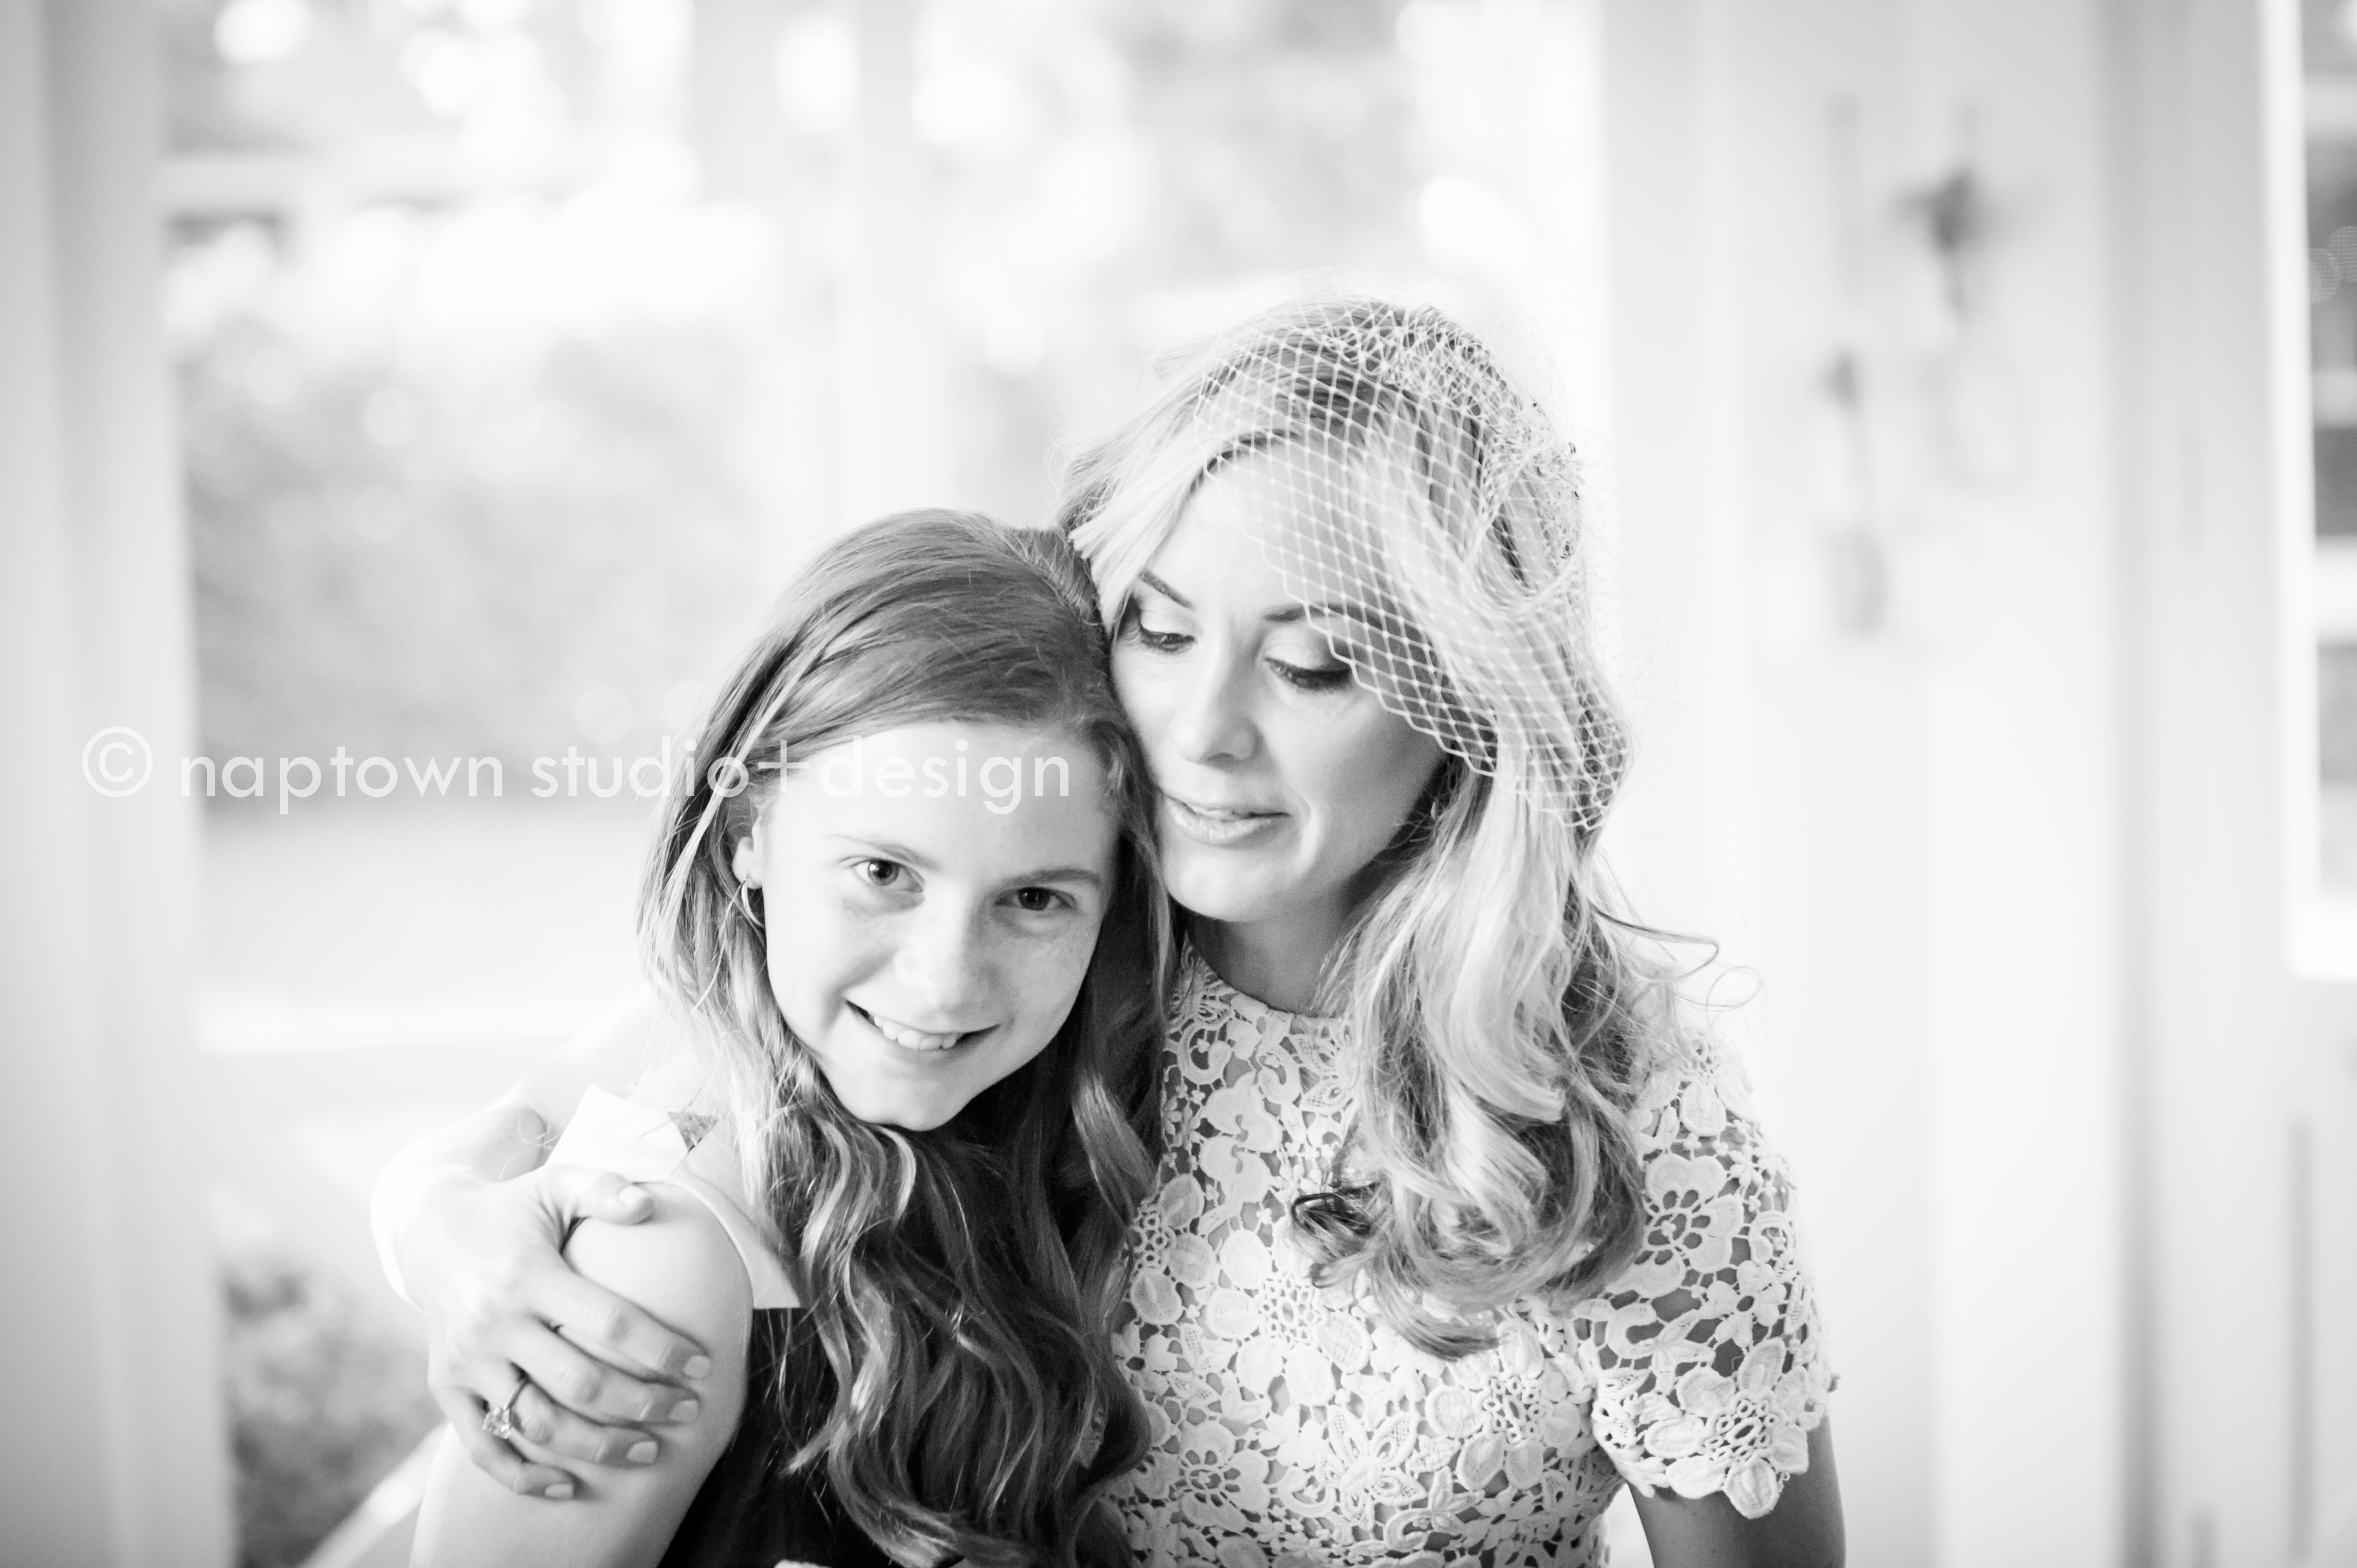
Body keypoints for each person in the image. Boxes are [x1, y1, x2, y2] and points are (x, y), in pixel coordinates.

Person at [376, 296, 1843, 1567]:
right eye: (1160, 629)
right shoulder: (1027, 951)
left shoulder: (1627, 1123)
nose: (1201, 732)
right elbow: (604, 1104)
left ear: (1465, 701)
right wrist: (439, 1222)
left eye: (1311, 666)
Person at [398, 511, 1168, 1568]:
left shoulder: (1007, 1121)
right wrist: (429, 1210)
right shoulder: (650, 1268)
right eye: (883, 873)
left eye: (1034, 898)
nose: (945, 980)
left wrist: (423, 1198)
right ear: (747, 834)